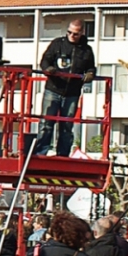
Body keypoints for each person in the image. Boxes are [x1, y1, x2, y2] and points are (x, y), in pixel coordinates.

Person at [35, 18, 95, 156]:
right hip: (53, 89)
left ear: (82, 33)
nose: (71, 36)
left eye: (75, 34)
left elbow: (91, 67)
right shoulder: (58, 44)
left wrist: (91, 73)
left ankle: (63, 155)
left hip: (72, 93)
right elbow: (44, 60)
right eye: (69, 32)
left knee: (67, 126)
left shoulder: (86, 50)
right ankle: (40, 153)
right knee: (46, 123)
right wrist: (48, 69)